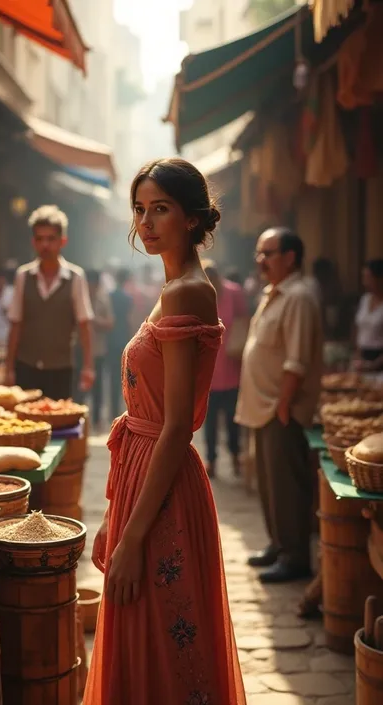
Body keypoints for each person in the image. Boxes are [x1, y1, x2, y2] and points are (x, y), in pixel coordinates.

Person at [84, 158, 245, 705]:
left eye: (161, 209)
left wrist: (131, 538)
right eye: (139, 209)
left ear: (193, 220)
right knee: (141, 633)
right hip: (142, 473)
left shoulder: (186, 292)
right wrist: (114, 517)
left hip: (165, 484)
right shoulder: (173, 286)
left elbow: (176, 426)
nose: (146, 222)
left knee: (163, 640)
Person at [236, 227, 323, 584]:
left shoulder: (299, 296)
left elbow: (296, 360)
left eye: (268, 253)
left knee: (287, 486)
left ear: (290, 257)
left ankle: (294, 555)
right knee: (269, 484)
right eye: (259, 253)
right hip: (263, 405)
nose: (260, 260)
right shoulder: (274, 293)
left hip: (280, 407)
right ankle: (278, 544)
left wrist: (285, 402)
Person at [5, 205, 95, 400]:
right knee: (24, 425)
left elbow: (84, 325)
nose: (45, 245)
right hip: (26, 366)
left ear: (62, 241)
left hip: (60, 368)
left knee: (58, 422)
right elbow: (15, 324)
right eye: (39, 239)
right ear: (33, 242)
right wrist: (9, 368)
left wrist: (88, 367)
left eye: (51, 239)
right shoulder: (23, 276)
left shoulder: (75, 277)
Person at [203, 262, 248, 478]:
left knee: (232, 420)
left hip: (231, 367)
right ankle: (211, 460)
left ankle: (235, 456)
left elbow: (244, 321)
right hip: (208, 372)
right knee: (209, 421)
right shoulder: (199, 295)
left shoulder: (234, 292)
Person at [86, 269, 114, 431]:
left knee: (97, 389)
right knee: (79, 389)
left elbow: (110, 323)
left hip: (98, 350)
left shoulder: (103, 300)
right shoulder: (79, 297)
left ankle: (96, 420)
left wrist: (93, 321)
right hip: (80, 350)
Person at [107, 268, 134, 420]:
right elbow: (129, 320)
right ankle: (124, 408)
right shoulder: (128, 298)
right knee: (124, 376)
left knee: (111, 376)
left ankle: (113, 410)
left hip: (111, 339)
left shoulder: (109, 296)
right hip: (123, 338)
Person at [354, 259, 383, 373]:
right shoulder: (365, 299)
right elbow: (359, 329)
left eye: (369, 277)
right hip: (362, 356)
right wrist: (357, 356)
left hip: (379, 356)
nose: (365, 282)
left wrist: (374, 365)